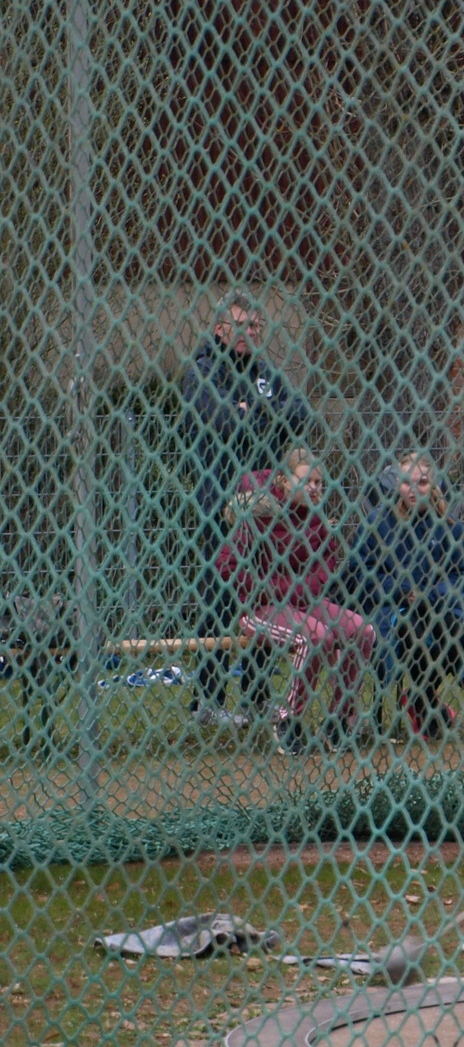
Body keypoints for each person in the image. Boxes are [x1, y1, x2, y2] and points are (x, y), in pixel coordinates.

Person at [179, 293, 310, 726]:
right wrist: (260, 417)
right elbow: (221, 421)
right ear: (219, 328)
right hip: (219, 506)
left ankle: (255, 697)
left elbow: (300, 413)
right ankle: (207, 700)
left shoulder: (263, 373)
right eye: (239, 325)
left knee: (263, 602)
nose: (247, 333)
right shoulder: (202, 372)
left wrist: (252, 410)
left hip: (265, 506)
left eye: (253, 326)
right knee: (219, 600)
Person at [214, 448, 375, 753]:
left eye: (318, 482)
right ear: (285, 481)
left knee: (362, 631)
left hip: (303, 603)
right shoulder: (258, 513)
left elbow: (325, 566)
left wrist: (301, 589)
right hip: (260, 608)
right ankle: (289, 720)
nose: (314, 488)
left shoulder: (316, 518)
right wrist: (272, 589)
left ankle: (339, 719)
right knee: (315, 637)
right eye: (306, 481)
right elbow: (227, 564)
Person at [348, 451, 464, 739]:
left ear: (433, 485)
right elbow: (361, 574)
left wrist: (431, 594)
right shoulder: (377, 522)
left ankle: (420, 698)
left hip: (440, 609)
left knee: (456, 629)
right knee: (414, 630)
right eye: (406, 483)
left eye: (421, 483)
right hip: (392, 609)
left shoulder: (450, 527)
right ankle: (425, 705)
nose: (413, 490)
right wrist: (401, 591)